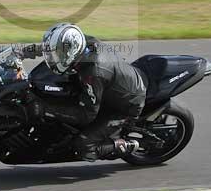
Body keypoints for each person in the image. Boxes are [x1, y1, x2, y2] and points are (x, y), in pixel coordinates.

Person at [19, 23, 147, 161]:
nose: (55, 56)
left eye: (59, 55)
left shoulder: (93, 73)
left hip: (125, 105)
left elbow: (87, 114)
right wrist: (24, 52)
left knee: (83, 145)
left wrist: (45, 109)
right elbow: (55, 47)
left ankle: (123, 145)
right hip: (114, 84)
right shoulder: (81, 42)